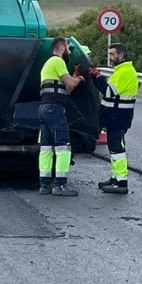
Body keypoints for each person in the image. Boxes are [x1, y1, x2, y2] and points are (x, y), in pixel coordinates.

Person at [37, 36, 84, 195]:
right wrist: (77, 79)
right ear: (62, 47)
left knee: (46, 148)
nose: (69, 50)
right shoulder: (57, 61)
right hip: (54, 109)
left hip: (44, 108)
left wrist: (73, 80)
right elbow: (70, 84)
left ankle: (45, 184)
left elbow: (66, 90)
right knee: (63, 146)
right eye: (68, 47)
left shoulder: (48, 64)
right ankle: (60, 185)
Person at [93, 42, 139, 194]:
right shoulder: (121, 70)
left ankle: (121, 182)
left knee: (117, 149)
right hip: (116, 116)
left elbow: (108, 92)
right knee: (114, 148)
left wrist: (97, 77)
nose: (110, 57)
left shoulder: (124, 71)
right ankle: (115, 178)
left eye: (113, 54)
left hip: (118, 116)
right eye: (109, 54)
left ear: (121, 55)